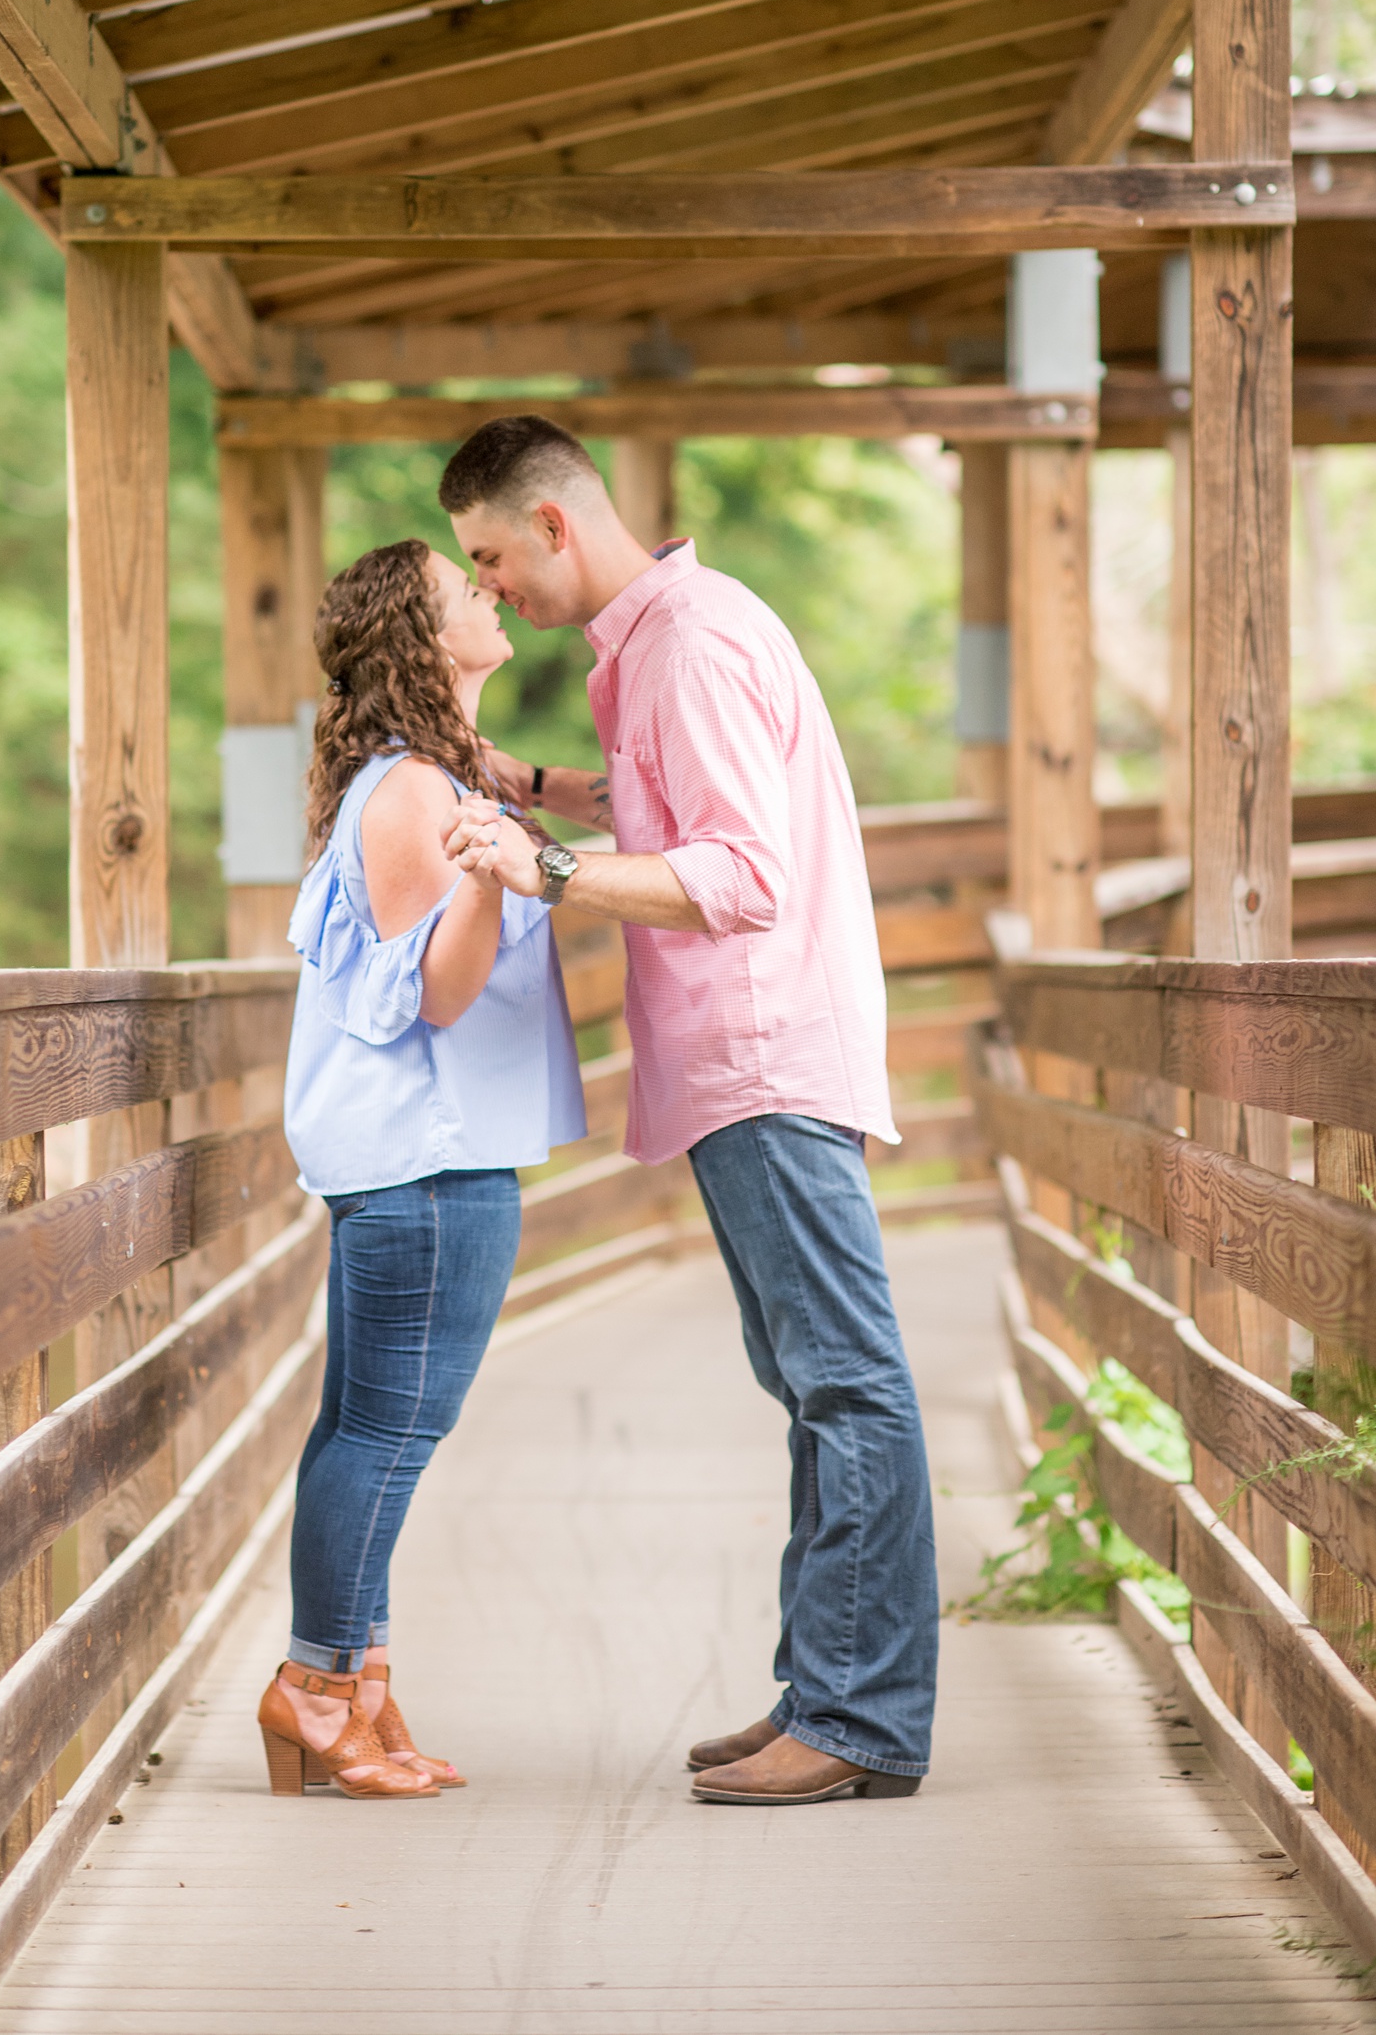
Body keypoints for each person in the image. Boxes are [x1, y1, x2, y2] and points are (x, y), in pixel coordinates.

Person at [436, 415, 938, 1807]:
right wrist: (532, 788)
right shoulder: (657, 643)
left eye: (489, 558)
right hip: (738, 1059)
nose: (489, 593)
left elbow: (739, 869)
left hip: (766, 1046)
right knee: (810, 1382)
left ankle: (862, 1715)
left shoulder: (692, 639)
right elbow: (669, 798)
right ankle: (825, 1689)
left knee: (845, 1379)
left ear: (552, 523)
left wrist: (543, 866)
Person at [257, 537, 584, 1802]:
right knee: (387, 1434)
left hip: (430, 1156)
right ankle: (316, 1688)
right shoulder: (409, 796)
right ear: (420, 633)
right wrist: (496, 876)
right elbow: (440, 994)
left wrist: (517, 810)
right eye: (466, 589)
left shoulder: (439, 775)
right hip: (426, 1161)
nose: (490, 591)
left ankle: (358, 1687)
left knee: (368, 1429)